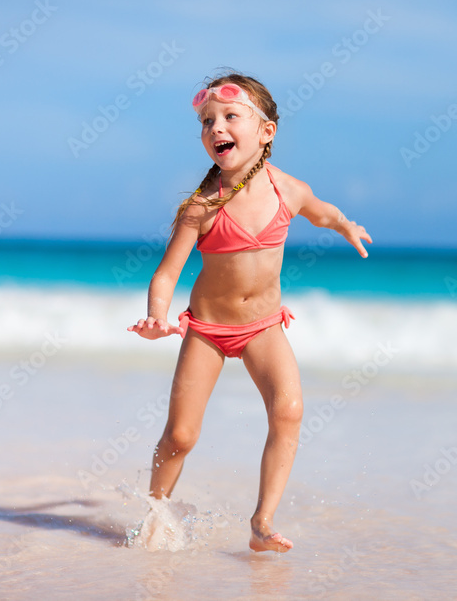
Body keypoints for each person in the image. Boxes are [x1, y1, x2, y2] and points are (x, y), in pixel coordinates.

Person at [128, 70, 371, 553]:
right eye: (206, 121)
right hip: (208, 330)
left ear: (266, 132)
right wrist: (158, 317)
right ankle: (155, 515)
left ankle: (262, 522)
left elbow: (321, 211)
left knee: (289, 411)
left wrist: (346, 225)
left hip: (263, 327)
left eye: (229, 117)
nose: (216, 128)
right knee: (180, 435)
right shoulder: (200, 208)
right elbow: (166, 275)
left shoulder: (288, 191)